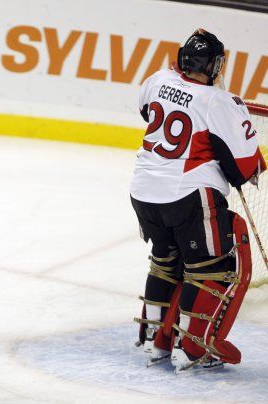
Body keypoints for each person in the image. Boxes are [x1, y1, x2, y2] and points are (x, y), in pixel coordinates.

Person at [130, 29, 266, 373]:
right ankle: (191, 348)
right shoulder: (219, 101)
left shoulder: (158, 78)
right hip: (189, 195)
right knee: (211, 268)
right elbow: (246, 169)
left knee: (165, 261)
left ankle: (154, 340)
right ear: (215, 65)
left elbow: (147, 112)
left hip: (143, 190)